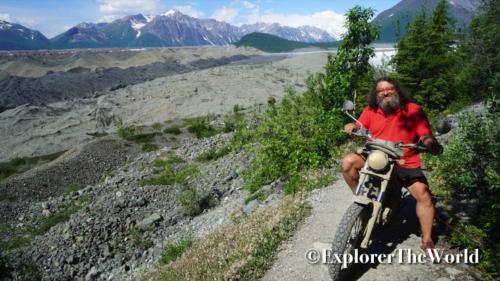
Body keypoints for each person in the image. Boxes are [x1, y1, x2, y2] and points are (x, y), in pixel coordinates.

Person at [342, 77, 442, 252]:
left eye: (389, 88)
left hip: (404, 158)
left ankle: (427, 240)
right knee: (348, 162)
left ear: (397, 90)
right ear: (376, 94)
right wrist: (350, 126)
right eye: (381, 90)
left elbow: (425, 134)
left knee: (424, 195)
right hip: (375, 155)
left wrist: (428, 142)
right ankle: (363, 206)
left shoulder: (413, 110)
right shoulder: (371, 110)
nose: (385, 92)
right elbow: (358, 125)